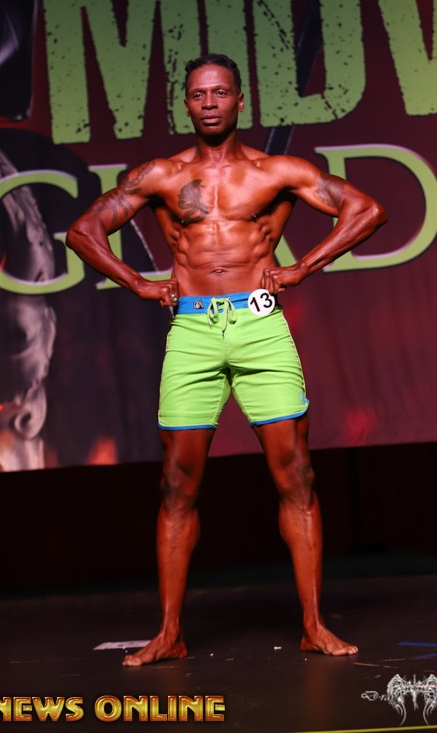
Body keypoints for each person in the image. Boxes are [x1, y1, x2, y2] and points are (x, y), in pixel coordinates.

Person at [66, 53, 387, 664]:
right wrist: (136, 283)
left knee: (297, 474)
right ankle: (169, 633)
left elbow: (368, 210)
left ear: (240, 100)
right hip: (192, 330)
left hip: (261, 326)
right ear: (186, 105)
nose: (209, 102)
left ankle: (314, 624)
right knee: (176, 482)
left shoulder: (277, 172)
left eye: (220, 92)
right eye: (198, 94)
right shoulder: (161, 175)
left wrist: (302, 266)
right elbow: (83, 230)